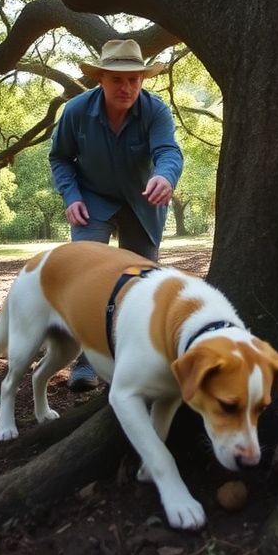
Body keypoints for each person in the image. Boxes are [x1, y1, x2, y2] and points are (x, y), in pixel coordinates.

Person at [49, 38, 184, 390]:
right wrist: (71, 195)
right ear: (101, 79)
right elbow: (60, 158)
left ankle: (133, 360)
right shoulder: (76, 112)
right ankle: (86, 361)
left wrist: (164, 176)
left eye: (134, 80)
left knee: (141, 282)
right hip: (92, 200)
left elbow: (169, 151)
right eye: (117, 80)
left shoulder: (156, 111)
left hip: (144, 202)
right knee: (89, 274)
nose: (127, 87)